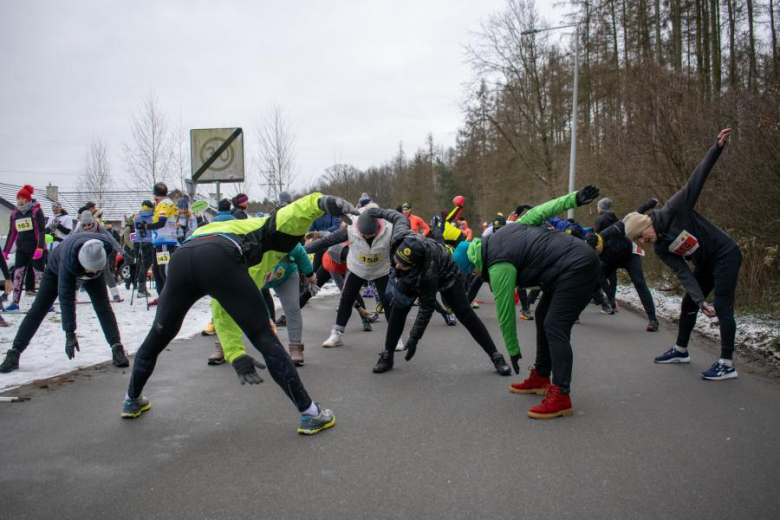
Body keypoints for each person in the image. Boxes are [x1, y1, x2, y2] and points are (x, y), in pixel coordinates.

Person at [120, 192, 356, 436]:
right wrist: (322, 202)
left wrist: (234, 352)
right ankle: (311, 414)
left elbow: (220, 305)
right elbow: (289, 215)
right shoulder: (262, 229)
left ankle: (131, 399)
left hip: (183, 256)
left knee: (159, 334)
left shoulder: (242, 231)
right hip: (220, 254)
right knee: (265, 338)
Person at [454, 186, 601, 419]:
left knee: (554, 325)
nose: (475, 274)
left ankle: (562, 395)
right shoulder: (503, 233)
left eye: (472, 271)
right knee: (543, 316)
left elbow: (505, 314)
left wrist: (513, 351)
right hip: (568, 265)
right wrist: (573, 199)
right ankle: (542, 376)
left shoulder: (498, 265)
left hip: (577, 267)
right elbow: (542, 210)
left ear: (473, 263)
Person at [622, 128, 741, 381]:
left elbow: (697, 179)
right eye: (640, 241)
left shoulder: (675, 209)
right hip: (705, 263)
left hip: (725, 253)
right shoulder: (661, 247)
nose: (644, 242)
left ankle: (727, 362)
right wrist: (700, 300)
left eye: (642, 236)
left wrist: (716, 148)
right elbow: (683, 273)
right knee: (689, 301)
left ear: (646, 225)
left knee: (722, 305)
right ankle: (680, 350)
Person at [371, 215, 512, 376]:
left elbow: (426, 308)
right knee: (398, 308)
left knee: (466, 314)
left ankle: (496, 356)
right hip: (413, 270)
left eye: (400, 264)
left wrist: (414, 338)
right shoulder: (400, 238)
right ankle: (387, 355)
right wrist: (375, 212)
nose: (396, 265)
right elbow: (395, 216)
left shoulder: (427, 274)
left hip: (447, 276)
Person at [0, 234, 130, 373]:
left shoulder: (104, 247)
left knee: (103, 307)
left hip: (93, 269)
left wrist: (96, 270)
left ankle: (117, 347)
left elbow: (112, 248)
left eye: (96, 269)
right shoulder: (68, 262)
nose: (92, 272)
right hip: (55, 271)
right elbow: (66, 299)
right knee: (38, 309)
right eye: (89, 270)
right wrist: (70, 333)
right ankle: (14, 352)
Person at [305, 203, 409, 350]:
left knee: (388, 302)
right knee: (346, 299)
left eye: (370, 235)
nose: (367, 237)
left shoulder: (390, 229)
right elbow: (327, 241)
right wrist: (303, 251)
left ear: (378, 227)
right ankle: (337, 333)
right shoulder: (350, 227)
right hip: (357, 268)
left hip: (381, 269)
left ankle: (396, 337)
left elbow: (407, 242)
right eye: (364, 234)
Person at [586, 198, 659, 331]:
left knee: (639, 282)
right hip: (612, 260)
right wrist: (612, 300)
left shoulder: (610, 231)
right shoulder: (599, 256)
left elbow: (633, 215)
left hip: (629, 255)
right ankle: (573, 313)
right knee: (593, 284)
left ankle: (653, 319)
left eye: (598, 250)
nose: (598, 252)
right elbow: (602, 279)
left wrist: (649, 204)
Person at [261, 243, 315, 366]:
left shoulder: (282, 237)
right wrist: (267, 317)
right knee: (253, 312)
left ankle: (295, 347)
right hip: (257, 277)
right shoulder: (249, 246)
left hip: (286, 274)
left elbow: (300, 253)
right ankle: (224, 345)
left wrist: (310, 274)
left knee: (292, 308)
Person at [2, 185, 46, 311]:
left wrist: (40, 247)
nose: (20, 201)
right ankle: (15, 303)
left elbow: (41, 231)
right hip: (21, 249)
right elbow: (12, 233)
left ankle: (46, 304)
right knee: (17, 276)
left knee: (40, 277)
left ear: (28, 199)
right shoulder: (14, 214)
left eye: (23, 198)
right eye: (18, 198)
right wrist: (5, 251)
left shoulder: (36, 212)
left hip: (35, 249)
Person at [74, 212, 124, 303]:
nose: (87, 227)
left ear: (93, 223)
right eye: (84, 225)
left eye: (89, 224)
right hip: (85, 254)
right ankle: (73, 296)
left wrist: (122, 251)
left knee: (106, 271)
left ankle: (115, 294)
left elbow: (111, 239)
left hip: (99, 252)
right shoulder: (79, 230)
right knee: (80, 274)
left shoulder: (98, 228)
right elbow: (70, 241)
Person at [145, 183, 179, 305]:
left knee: (163, 270)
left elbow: (161, 222)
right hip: (159, 241)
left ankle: (170, 297)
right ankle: (162, 297)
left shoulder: (164, 204)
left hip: (165, 240)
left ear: (156, 195)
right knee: (156, 269)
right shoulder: (164, 203)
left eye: (154, 195)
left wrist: (146, 226)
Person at [133, 200, 155, 298]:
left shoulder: (137, 217)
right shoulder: (153, 217)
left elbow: (135, 227)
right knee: (146, 264)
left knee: (140, 264)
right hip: (148, 242)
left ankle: (140, 286)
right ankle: (141, 288)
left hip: (137, 241)